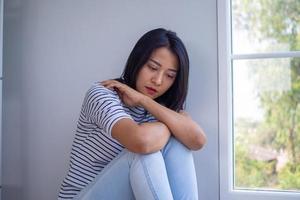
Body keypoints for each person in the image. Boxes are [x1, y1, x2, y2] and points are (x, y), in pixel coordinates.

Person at [58, 28, 206, 200]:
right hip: (82, 196)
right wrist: (170, 125)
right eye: (152, 67)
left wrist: (144, 101)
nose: (158, 80)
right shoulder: (103, 93)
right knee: (145, 155)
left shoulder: (161, 109)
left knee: (178, 145)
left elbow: (197, 140)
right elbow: (140, 142)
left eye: (170, 75)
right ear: (138, 60)